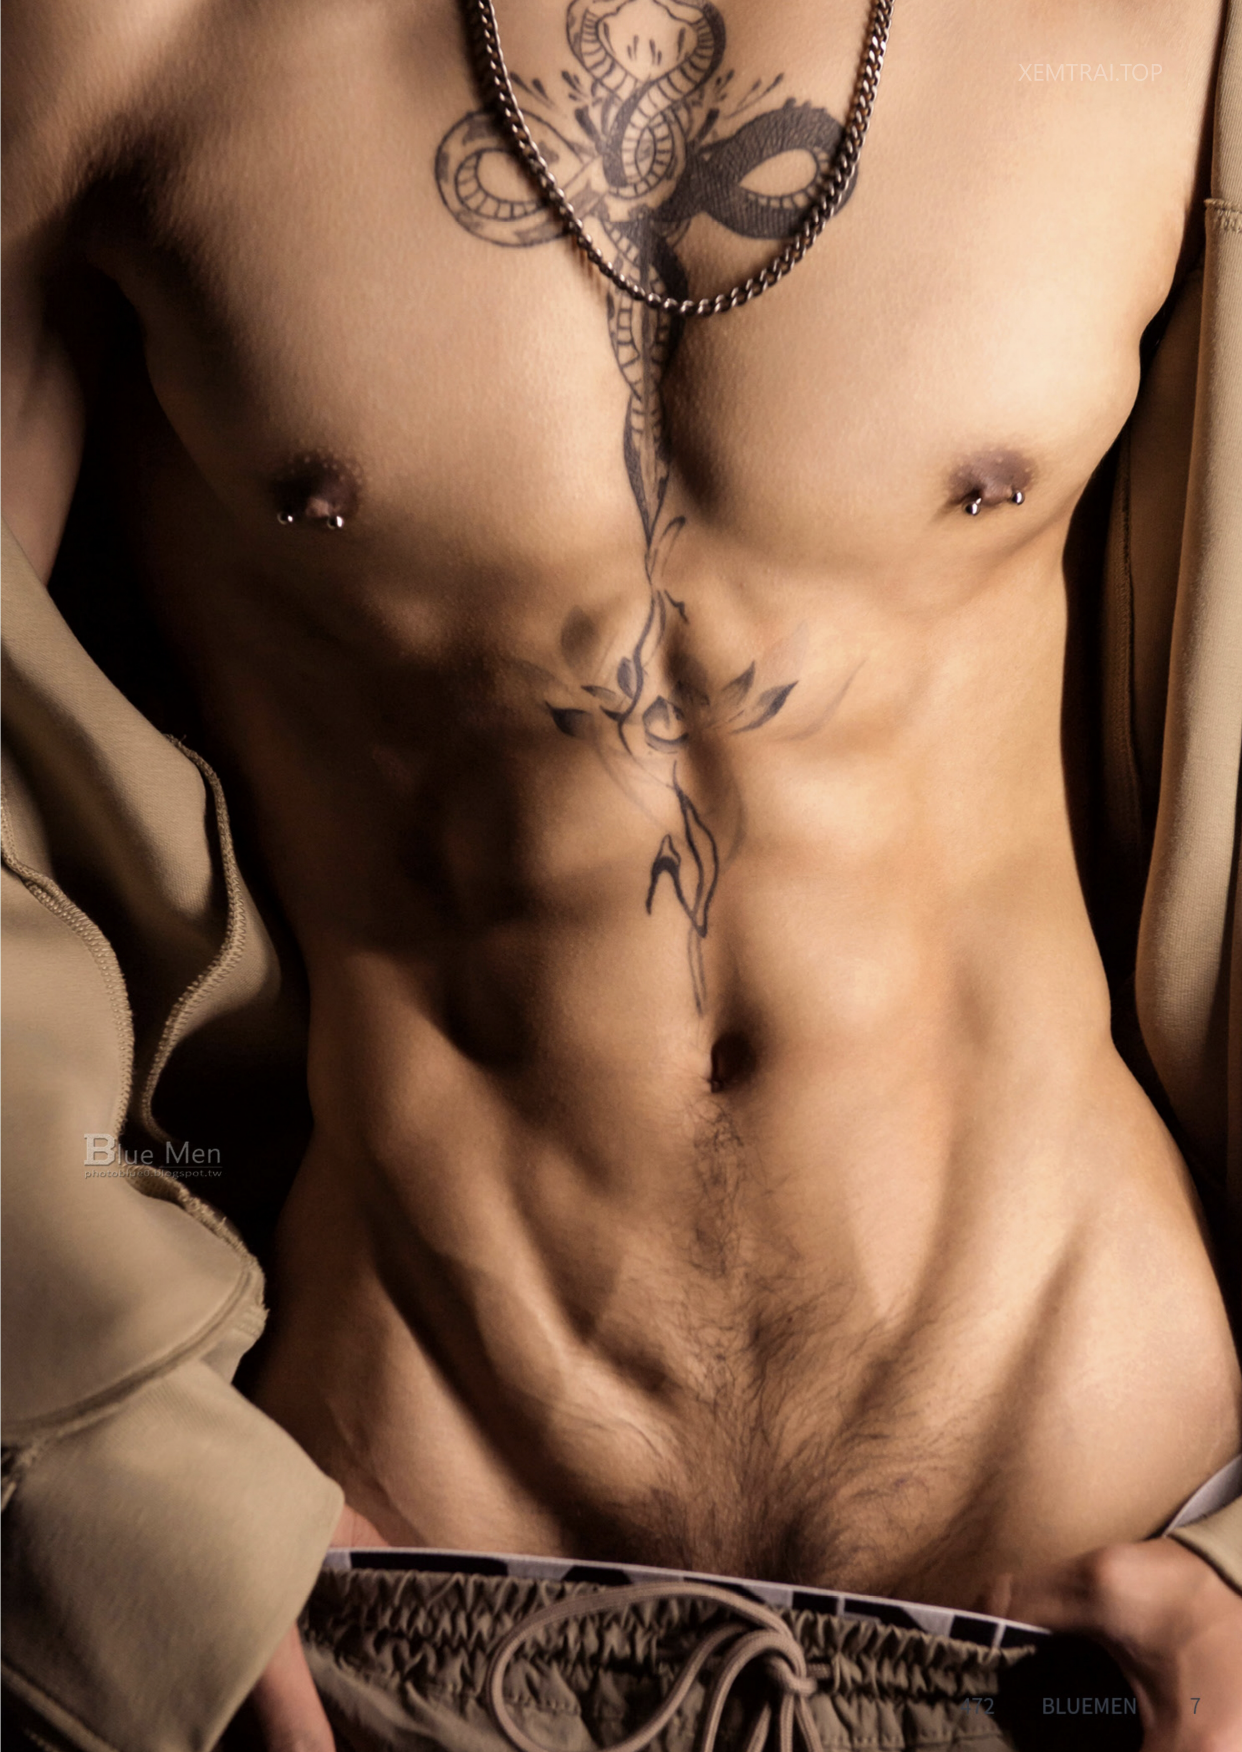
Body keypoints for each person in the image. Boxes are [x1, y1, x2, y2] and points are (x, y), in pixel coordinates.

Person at [3, 0, 1241, 1748]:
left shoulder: (1153, 30)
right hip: (401, 1603)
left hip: (1109, 1615)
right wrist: (111, 1463)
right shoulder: (117, 32)